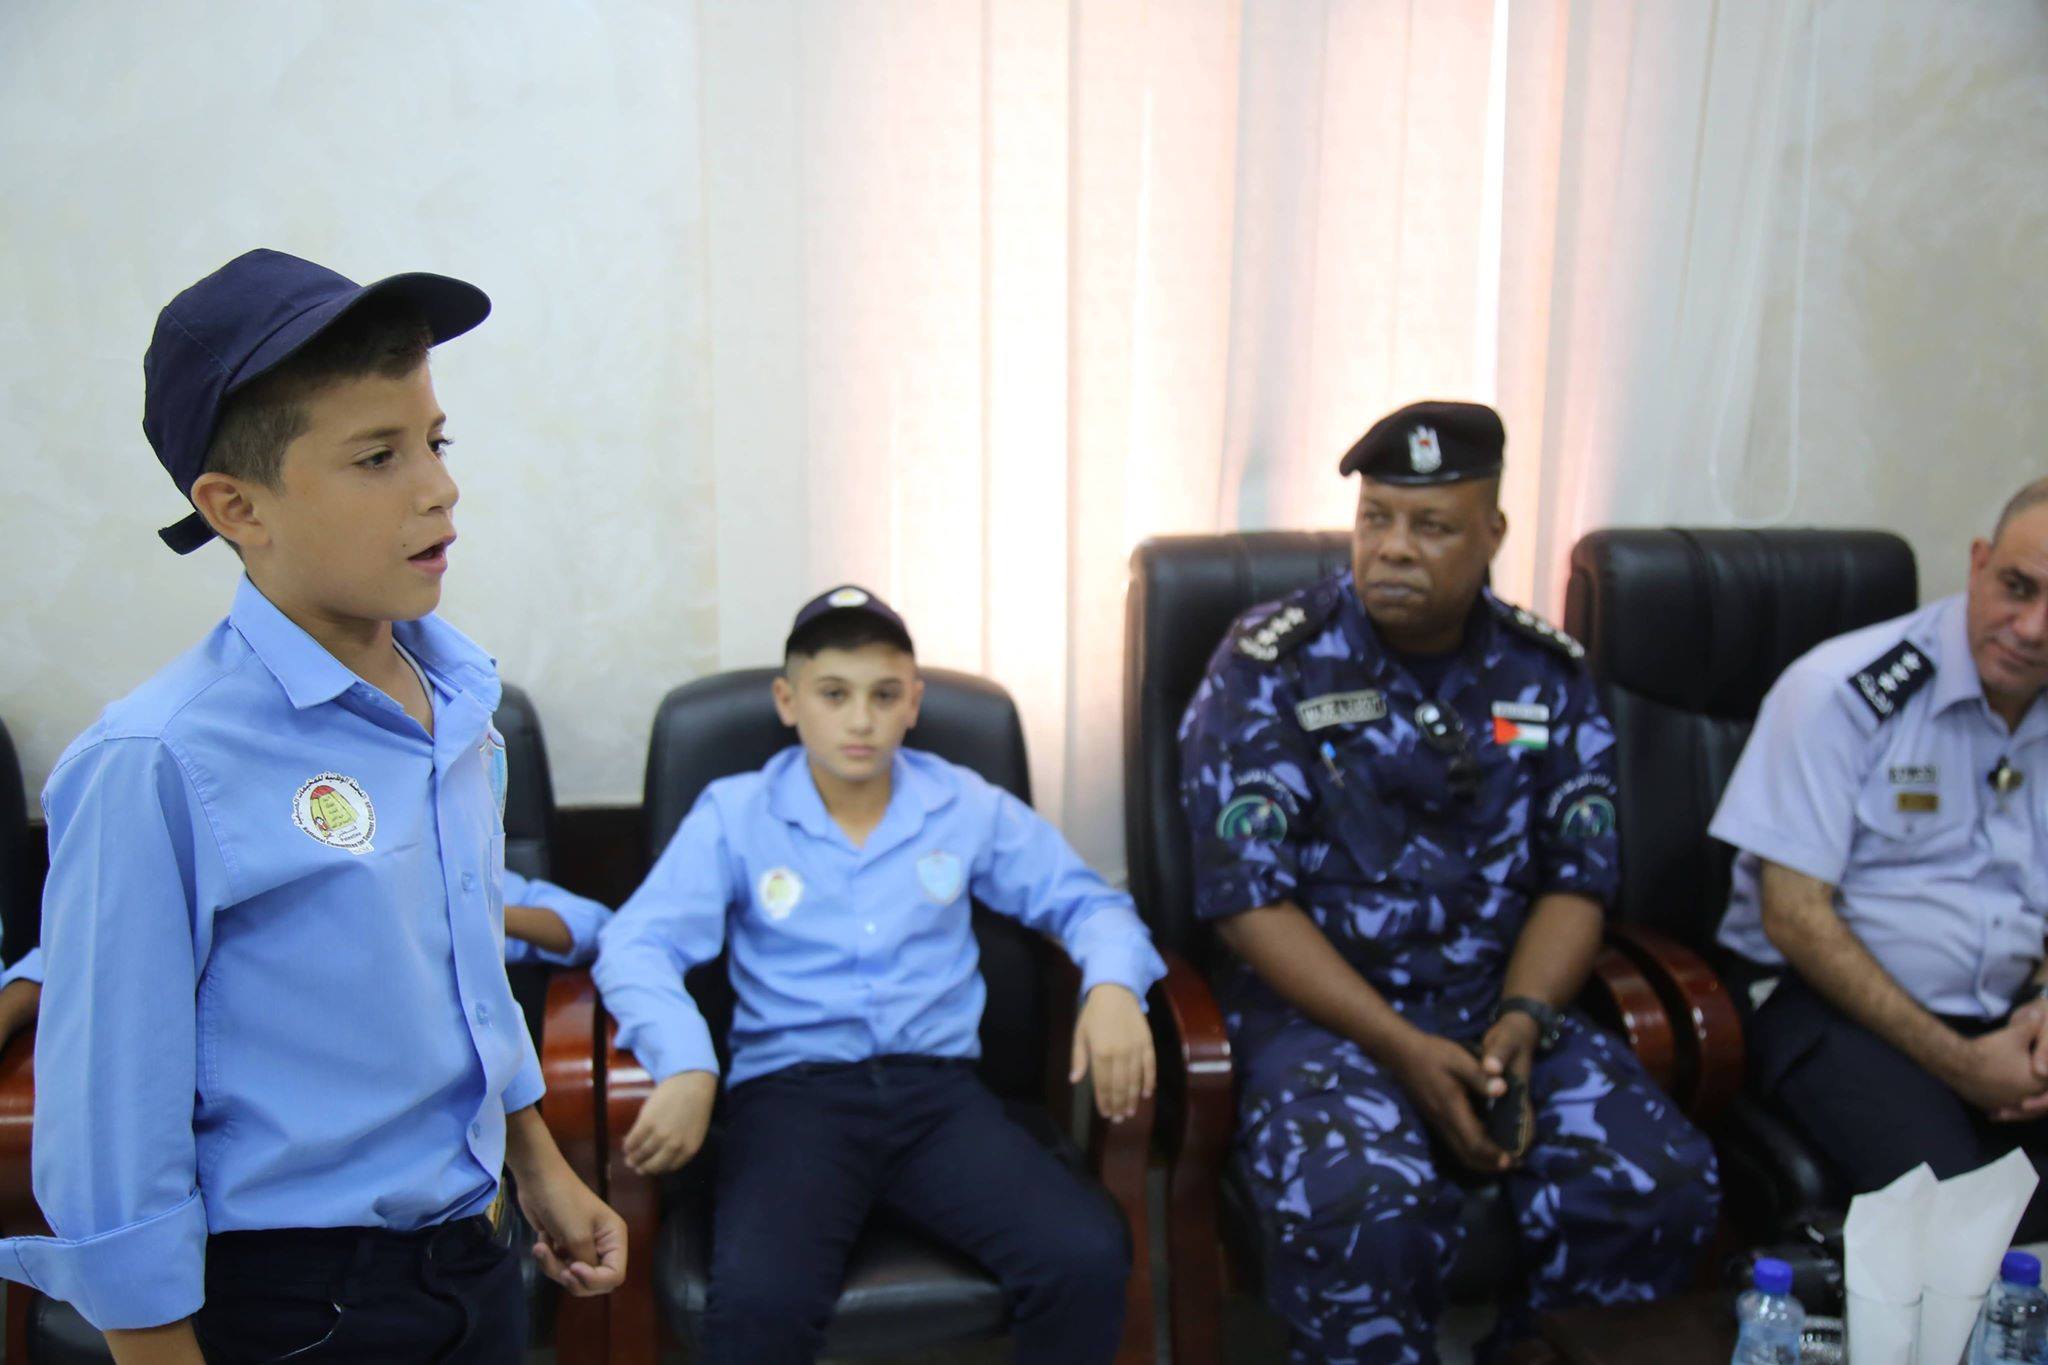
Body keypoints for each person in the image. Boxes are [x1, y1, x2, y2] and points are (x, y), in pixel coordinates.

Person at [0, 249, 624, 1362]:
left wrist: (536, 1159)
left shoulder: (454, 699)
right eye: (377, 456)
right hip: (302, 1303)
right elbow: (108, 1118)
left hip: (471, 1255)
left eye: (434, 442)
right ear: (236, 506)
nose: (437, 488)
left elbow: (462, 976)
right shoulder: (158, 760)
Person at [1178, 400, 1719, 1364]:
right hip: (1320, 1022)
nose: (1393, 547)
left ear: (1493, 533)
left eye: (1430, 525)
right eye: (1375, 518)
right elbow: (1248, 902)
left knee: (1657, 1178)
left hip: (1495, 1004)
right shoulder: (1272, 665)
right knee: (1362, 1205)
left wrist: (1522, 1019)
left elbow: (1578, 880)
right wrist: (1405, 1049)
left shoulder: (1545, 673)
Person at [594, 585, 1164, 1364]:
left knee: (1084, 1255)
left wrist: (1112, 986)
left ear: (913, 703)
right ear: (789, 701)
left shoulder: (961, 803)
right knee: (760, 1303)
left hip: (939, 1100)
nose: (860, 719)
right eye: (834, 694)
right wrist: (687, 1060)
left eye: (884, 694)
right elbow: (635, 943)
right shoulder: (737, 812)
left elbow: (1089, 903)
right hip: (793, 1099)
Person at [1713, 477, 2048, 1236]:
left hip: (2007, 1010)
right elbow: (1794, 917)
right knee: (1969, 1222)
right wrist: (1963, 1064)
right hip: (1828, 1007)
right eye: (2017, 587)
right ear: (1978, 563)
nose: (2031, 628)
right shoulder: (1841, 691)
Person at [0, 869, 610, 1049]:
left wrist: (461, 906)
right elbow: (62, 964)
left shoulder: (456, 866)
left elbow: (587, 926)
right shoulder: (263, 882)